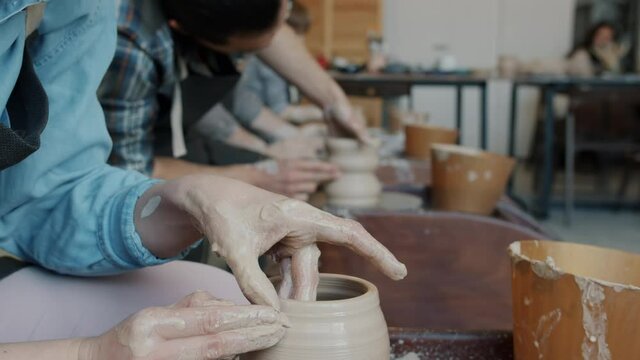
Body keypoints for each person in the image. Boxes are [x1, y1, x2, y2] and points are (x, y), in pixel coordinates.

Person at [0, 0, 406, 358]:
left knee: (231, 305)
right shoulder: (135, 42)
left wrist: (192, 199)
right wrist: (84, 354)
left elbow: (46, 195)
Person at [99, 0, 367, 200]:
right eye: (249, 50)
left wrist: (334, 102)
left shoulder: (222, 14)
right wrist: (258, 177)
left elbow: (264, 21)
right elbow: (128, 171)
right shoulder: (131, 42)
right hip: (110, 180)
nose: (274, 41)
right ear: (183, 30)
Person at [239, 0, 324, 124]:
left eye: (304, 33)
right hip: (254, 126)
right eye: (297, 33)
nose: (302, 39)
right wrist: (323, 112)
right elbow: (280, 111)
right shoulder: (268, 63)